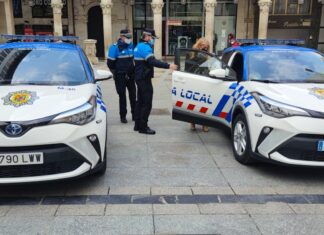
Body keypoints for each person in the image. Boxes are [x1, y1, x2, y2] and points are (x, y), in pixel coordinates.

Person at [134, 28, 178, 135]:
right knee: (147, 103)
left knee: (140, 102)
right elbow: (152, 61)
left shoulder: (138, 46)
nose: (154, 40)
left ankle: (137, 125)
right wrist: (169, 65)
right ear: (148, 37)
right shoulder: (145, 47)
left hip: (140, 77)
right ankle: (143, 127)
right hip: (144, 79)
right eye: (153, 38)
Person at [107, 29, 136, 124]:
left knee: (133, 95)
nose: (129, 39)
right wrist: (117, 74)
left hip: (131, 75)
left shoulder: (131, 46)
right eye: (127, 37)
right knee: (122, 96)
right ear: (122, 37)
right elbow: (110, 64)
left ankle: (135, 115)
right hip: (120, 76)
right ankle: (123, 116)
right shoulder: (114, 48)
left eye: (130, 37)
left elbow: (132, 60)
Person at [189, 37, 210, 132]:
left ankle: (204, 123)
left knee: (204, 104)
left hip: (204, 81)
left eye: (207, 47)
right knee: (193, 103)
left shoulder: (206, 55)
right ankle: (192, 122)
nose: (205, 49)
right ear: (199, 45)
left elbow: (207, 69)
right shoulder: (192, 54)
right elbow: (188, 67)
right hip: (194, 81)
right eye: (203, 47)